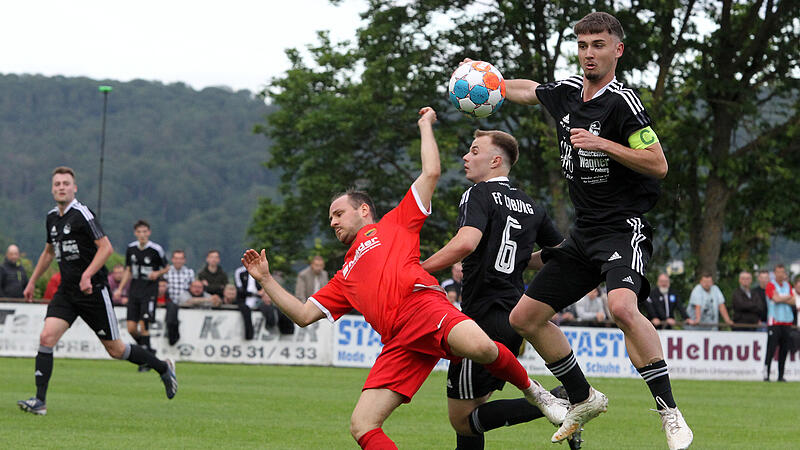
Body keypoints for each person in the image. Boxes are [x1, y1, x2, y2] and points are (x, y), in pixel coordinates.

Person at [241, 107, 566, 449]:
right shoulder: (343, 275)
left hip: (422, 307)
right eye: (330, 218)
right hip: (399, 341)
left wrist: (425, 124)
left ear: (363, 210)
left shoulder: (395, 222)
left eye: (338, 213)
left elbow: (431, 172)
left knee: (482, 348)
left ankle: (539, 395)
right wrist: (266, 279)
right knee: (362, 425)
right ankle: (545, 397)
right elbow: (303, 314)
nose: (333, 222)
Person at [495, 11, 692, 449]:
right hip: (584, 233)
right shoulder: (567, 92)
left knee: (621, 307)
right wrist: (488, 82)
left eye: (598, 45)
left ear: (617, 50)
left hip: (622, 229)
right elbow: (528, 90)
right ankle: (583, 397)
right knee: (524, 318)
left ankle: (670, 412)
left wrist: (602, 142)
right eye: (583, 45)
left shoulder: (623, 103)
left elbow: (658, 164)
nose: (589, 53)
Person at [419, 128, 574, 449]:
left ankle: (560, 400)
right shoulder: (531, 205)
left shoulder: (477, 194)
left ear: (495, 161)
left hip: (479, 320)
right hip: (514, 318)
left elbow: (466, 242)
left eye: (475, 151)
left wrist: (419, 270)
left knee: (462, 421)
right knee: (474, 412)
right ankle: (560, 400)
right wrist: (520, 259)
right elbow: (560, 253)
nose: (466, 156)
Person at [17, 167, 176, 415]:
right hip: (67, 292)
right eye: (57, 184)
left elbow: (106, 248)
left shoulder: (82, 214)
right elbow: (48, 253)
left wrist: (87, 274)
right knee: (46, 337)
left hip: (93, 292)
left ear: (74, 188)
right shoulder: (52, 218)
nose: (61, 187)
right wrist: (32, 281)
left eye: (66, 183)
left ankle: (163, 367)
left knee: (116, 350)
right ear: (52, 189)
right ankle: (40, 402)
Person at [114, 220, 169, 370]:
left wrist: (157, 273)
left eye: (145, 232)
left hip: (149, 291)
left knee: (144, 325)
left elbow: (167, 267)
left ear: (149, 233)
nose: (142, 235)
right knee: (131, 328)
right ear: (135, 233)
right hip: (134, 290)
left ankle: (146, 362)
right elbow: (128, 270)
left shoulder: (156, 249)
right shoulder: (131, 248)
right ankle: (147, 351)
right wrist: (120, 288)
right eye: (139, 232)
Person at [235, 265, 295, 338]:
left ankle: (287, 331)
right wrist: (257, 294)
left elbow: (266, 287)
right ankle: (249, 335)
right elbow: (240, 290)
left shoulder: (261, 271)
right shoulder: (240, 272)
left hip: (260, 299)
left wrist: (265, 294)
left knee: (279, 309)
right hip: (249, 300)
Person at [763, 264, 795, 382]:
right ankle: (766, 374)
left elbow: (793, 301)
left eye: (782, 272)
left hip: (787, 322)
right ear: (775, 273)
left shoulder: (787, 285)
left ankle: (780, 376)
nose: (780, 274)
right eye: (778, 272)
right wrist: (787, 297)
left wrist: (781, 297)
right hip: (775, 322)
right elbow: (775, 299)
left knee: (784, 350)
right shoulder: (770, 285)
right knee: (771, 349)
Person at [164, 250, 195, 345]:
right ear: (172, 259)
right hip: (170, 302)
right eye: (176, 258)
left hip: (185, 303)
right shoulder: (166, 271)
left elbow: (193, 288)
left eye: (180, 259)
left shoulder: (189, 272)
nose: (178, 261)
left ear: (184, 260)